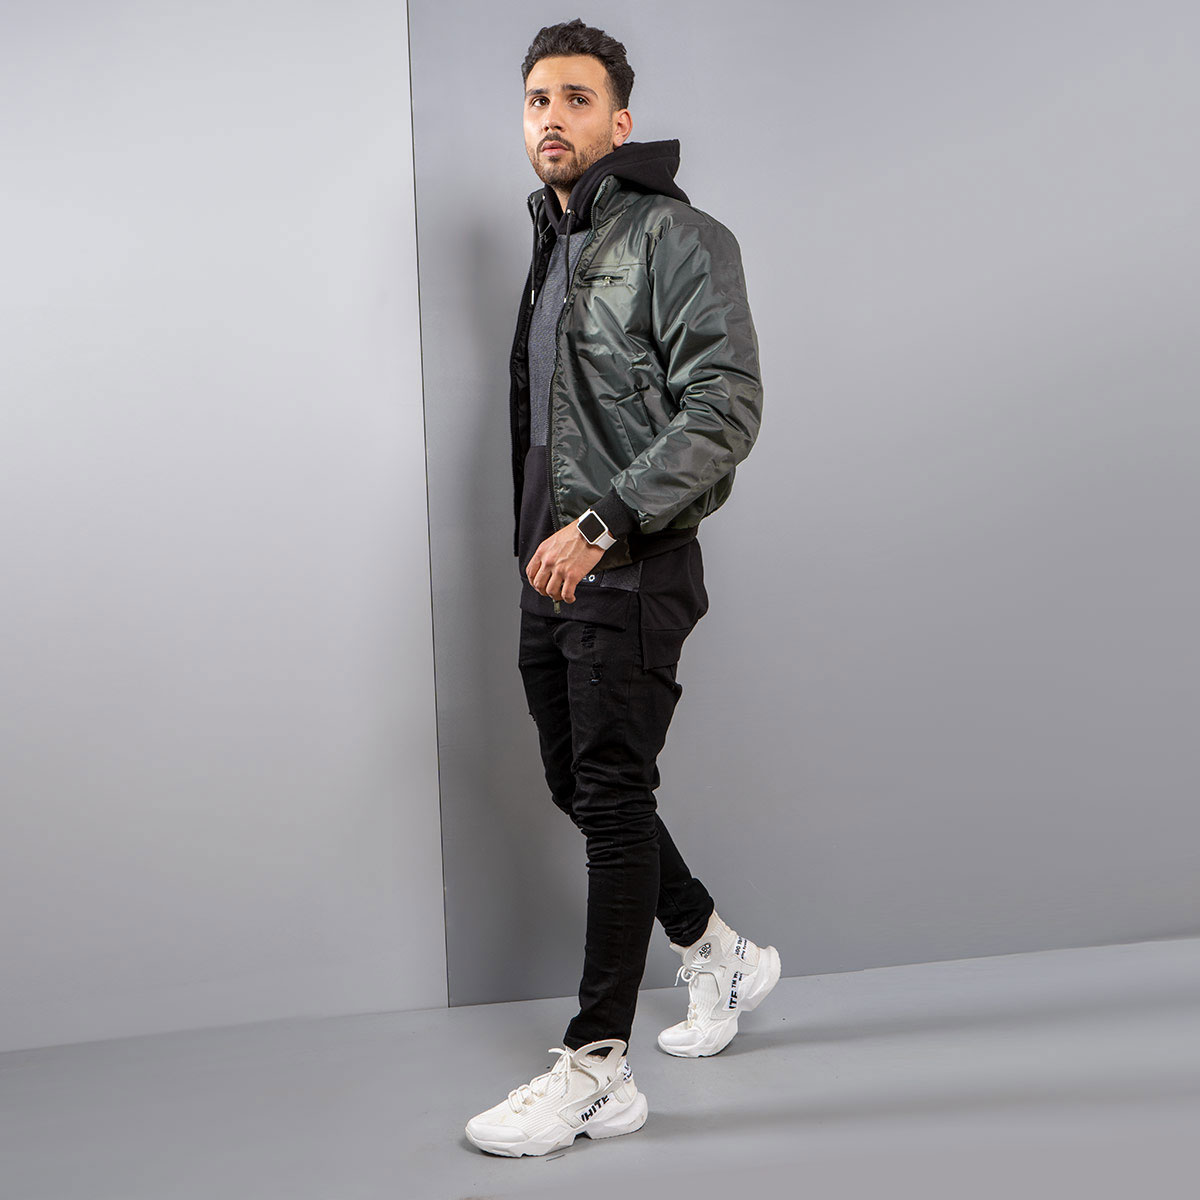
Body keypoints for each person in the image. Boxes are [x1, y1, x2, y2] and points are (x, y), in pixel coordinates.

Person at [465, 19, 780, 1158]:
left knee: (609, 794)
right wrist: (550, 539)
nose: (552, 117)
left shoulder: (678, 237)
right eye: (537, 99)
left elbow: (725, 408)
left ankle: (598, 1067)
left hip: (628, 563)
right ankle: (717, 952)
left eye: (577, 98)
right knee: (581, 783)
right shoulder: (555, 239)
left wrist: (602, 525)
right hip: (548, 565)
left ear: (621, 120)